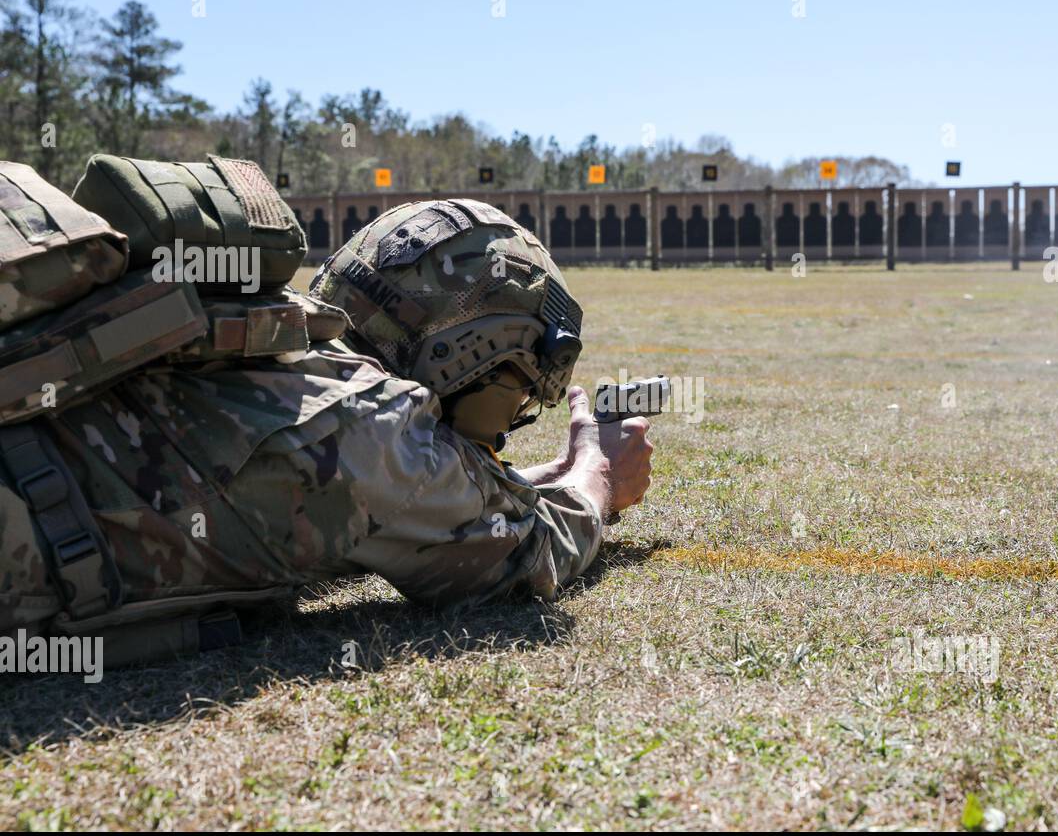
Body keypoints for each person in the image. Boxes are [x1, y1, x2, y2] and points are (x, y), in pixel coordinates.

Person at [0, 198, 653, 658]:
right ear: (469, 354)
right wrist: (598, 479)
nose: (515, 422)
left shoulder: (264, 340)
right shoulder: (375, 428)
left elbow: (418, 507)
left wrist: (521, 483)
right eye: (516, 393)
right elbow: (524, 554)